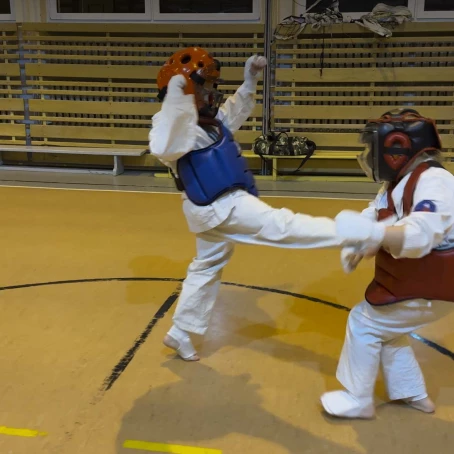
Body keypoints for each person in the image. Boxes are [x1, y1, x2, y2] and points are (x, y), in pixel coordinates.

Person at [149, 47, 360, 361]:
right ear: (186, 89)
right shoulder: (170, 123)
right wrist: (176, 102)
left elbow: (233, 114)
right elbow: (165, 146)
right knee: (282, 225)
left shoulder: (206, 120)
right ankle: (354, 234)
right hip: (223, 207)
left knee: (207, 265)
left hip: (212, 209)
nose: (212, 93)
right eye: (205, 87)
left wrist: (249, 80)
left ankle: (180, 332)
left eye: (213, 86)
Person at [321, 108, 454, 419]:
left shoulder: (436, 181)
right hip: (418, 284)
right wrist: (357, 241)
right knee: (388, 331)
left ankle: (357, 399)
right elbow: (375, 212)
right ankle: (412, 392)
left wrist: (375, 235)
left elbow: (422, 232)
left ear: (397, 148)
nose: (369, 157)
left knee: (364, 324)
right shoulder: (399, 181)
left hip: (434, 286)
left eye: (373, 149)